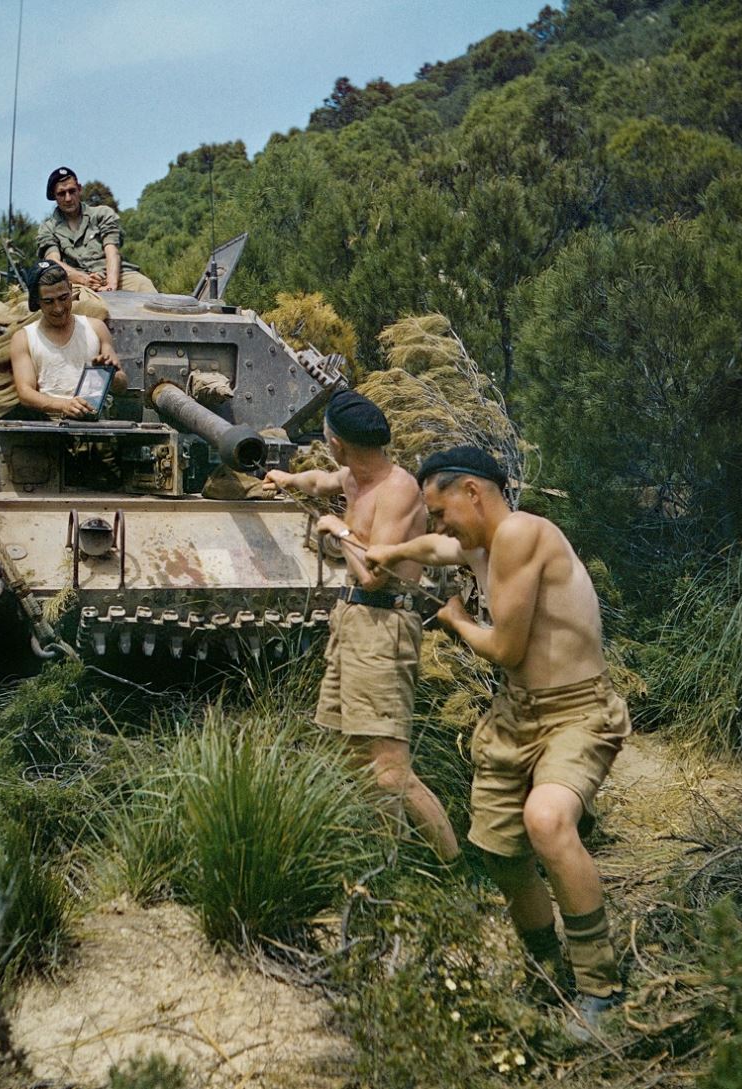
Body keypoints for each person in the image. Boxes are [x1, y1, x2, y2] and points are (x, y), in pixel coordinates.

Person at [364, 445, 631, 1041]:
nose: (440, 526)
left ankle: (601, 989)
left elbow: (506, 649)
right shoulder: (483, 542)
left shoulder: (519, 534)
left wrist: (456, 618)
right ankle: (546, 972)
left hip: (577, 713)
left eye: (441, 512)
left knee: (546, 821)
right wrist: (395, 551)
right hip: (518, 714)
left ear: (473, 493)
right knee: (499, 847)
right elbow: (440, 549)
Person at [263, 391, 462, 865]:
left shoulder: (398, 490)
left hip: (383, 624)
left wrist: (339, 531)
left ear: (336, 441)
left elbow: (376, 573)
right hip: (353, 623)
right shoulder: (354, 476)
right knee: (352, 756)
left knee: (390, 769)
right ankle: (389, 862)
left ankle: (454, 869)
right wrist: (285, 478)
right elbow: (320, 480)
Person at [10, 263, 127, 418]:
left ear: (71, 289)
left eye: (63, 298)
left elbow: (122, 385)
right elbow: (25, 393)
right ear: (37, 301)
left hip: (97, 421)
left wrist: (110, 374)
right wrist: (63, 405)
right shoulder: (24, 338)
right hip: (49, 424)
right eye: (49, 301)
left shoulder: (96, 328)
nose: (58, 308)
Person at [36, 166, 157, 294]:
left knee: (143, 285)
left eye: (72, 191)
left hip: (113, 273)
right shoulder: (48, 228)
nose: (68, 198)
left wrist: (111, 284)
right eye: (61, 193)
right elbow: (53, 262)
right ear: (54, 196)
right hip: (75, 280)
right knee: (73, 300)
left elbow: (112, 250)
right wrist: (83, 279)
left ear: (79, 189)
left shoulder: (102, 214)